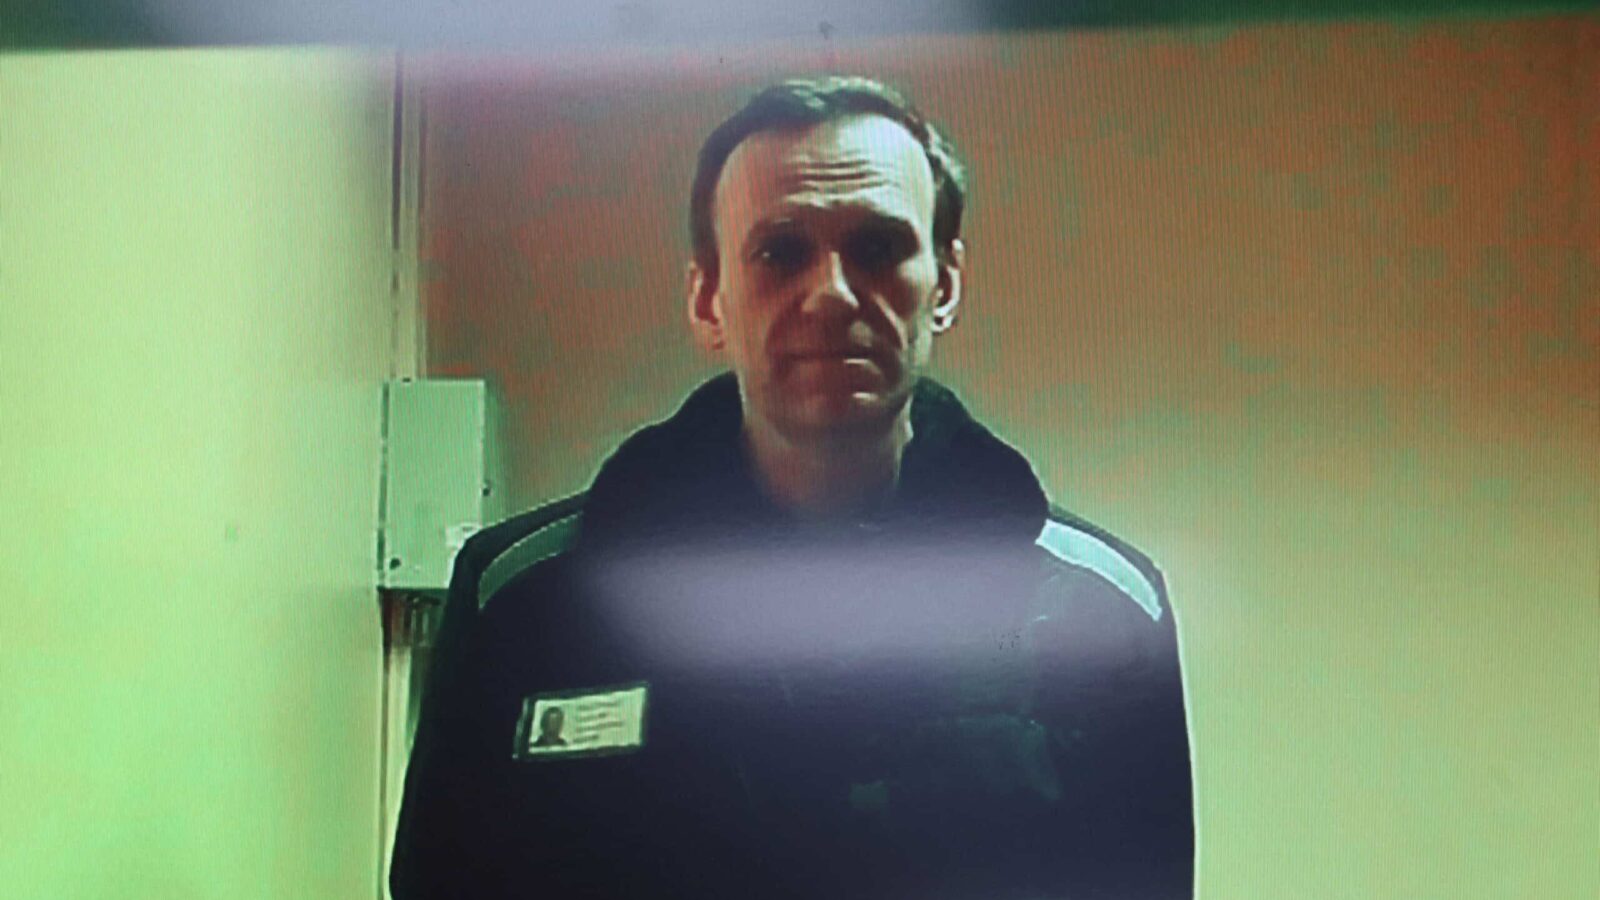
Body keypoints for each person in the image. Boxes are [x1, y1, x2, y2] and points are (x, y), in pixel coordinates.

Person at [391, 75, 1193, 899]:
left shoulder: (1104, 610)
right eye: (780, 252)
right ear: (708, 299)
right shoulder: (520, 598)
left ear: (945, 286)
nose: (831, 294)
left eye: (878, 248)